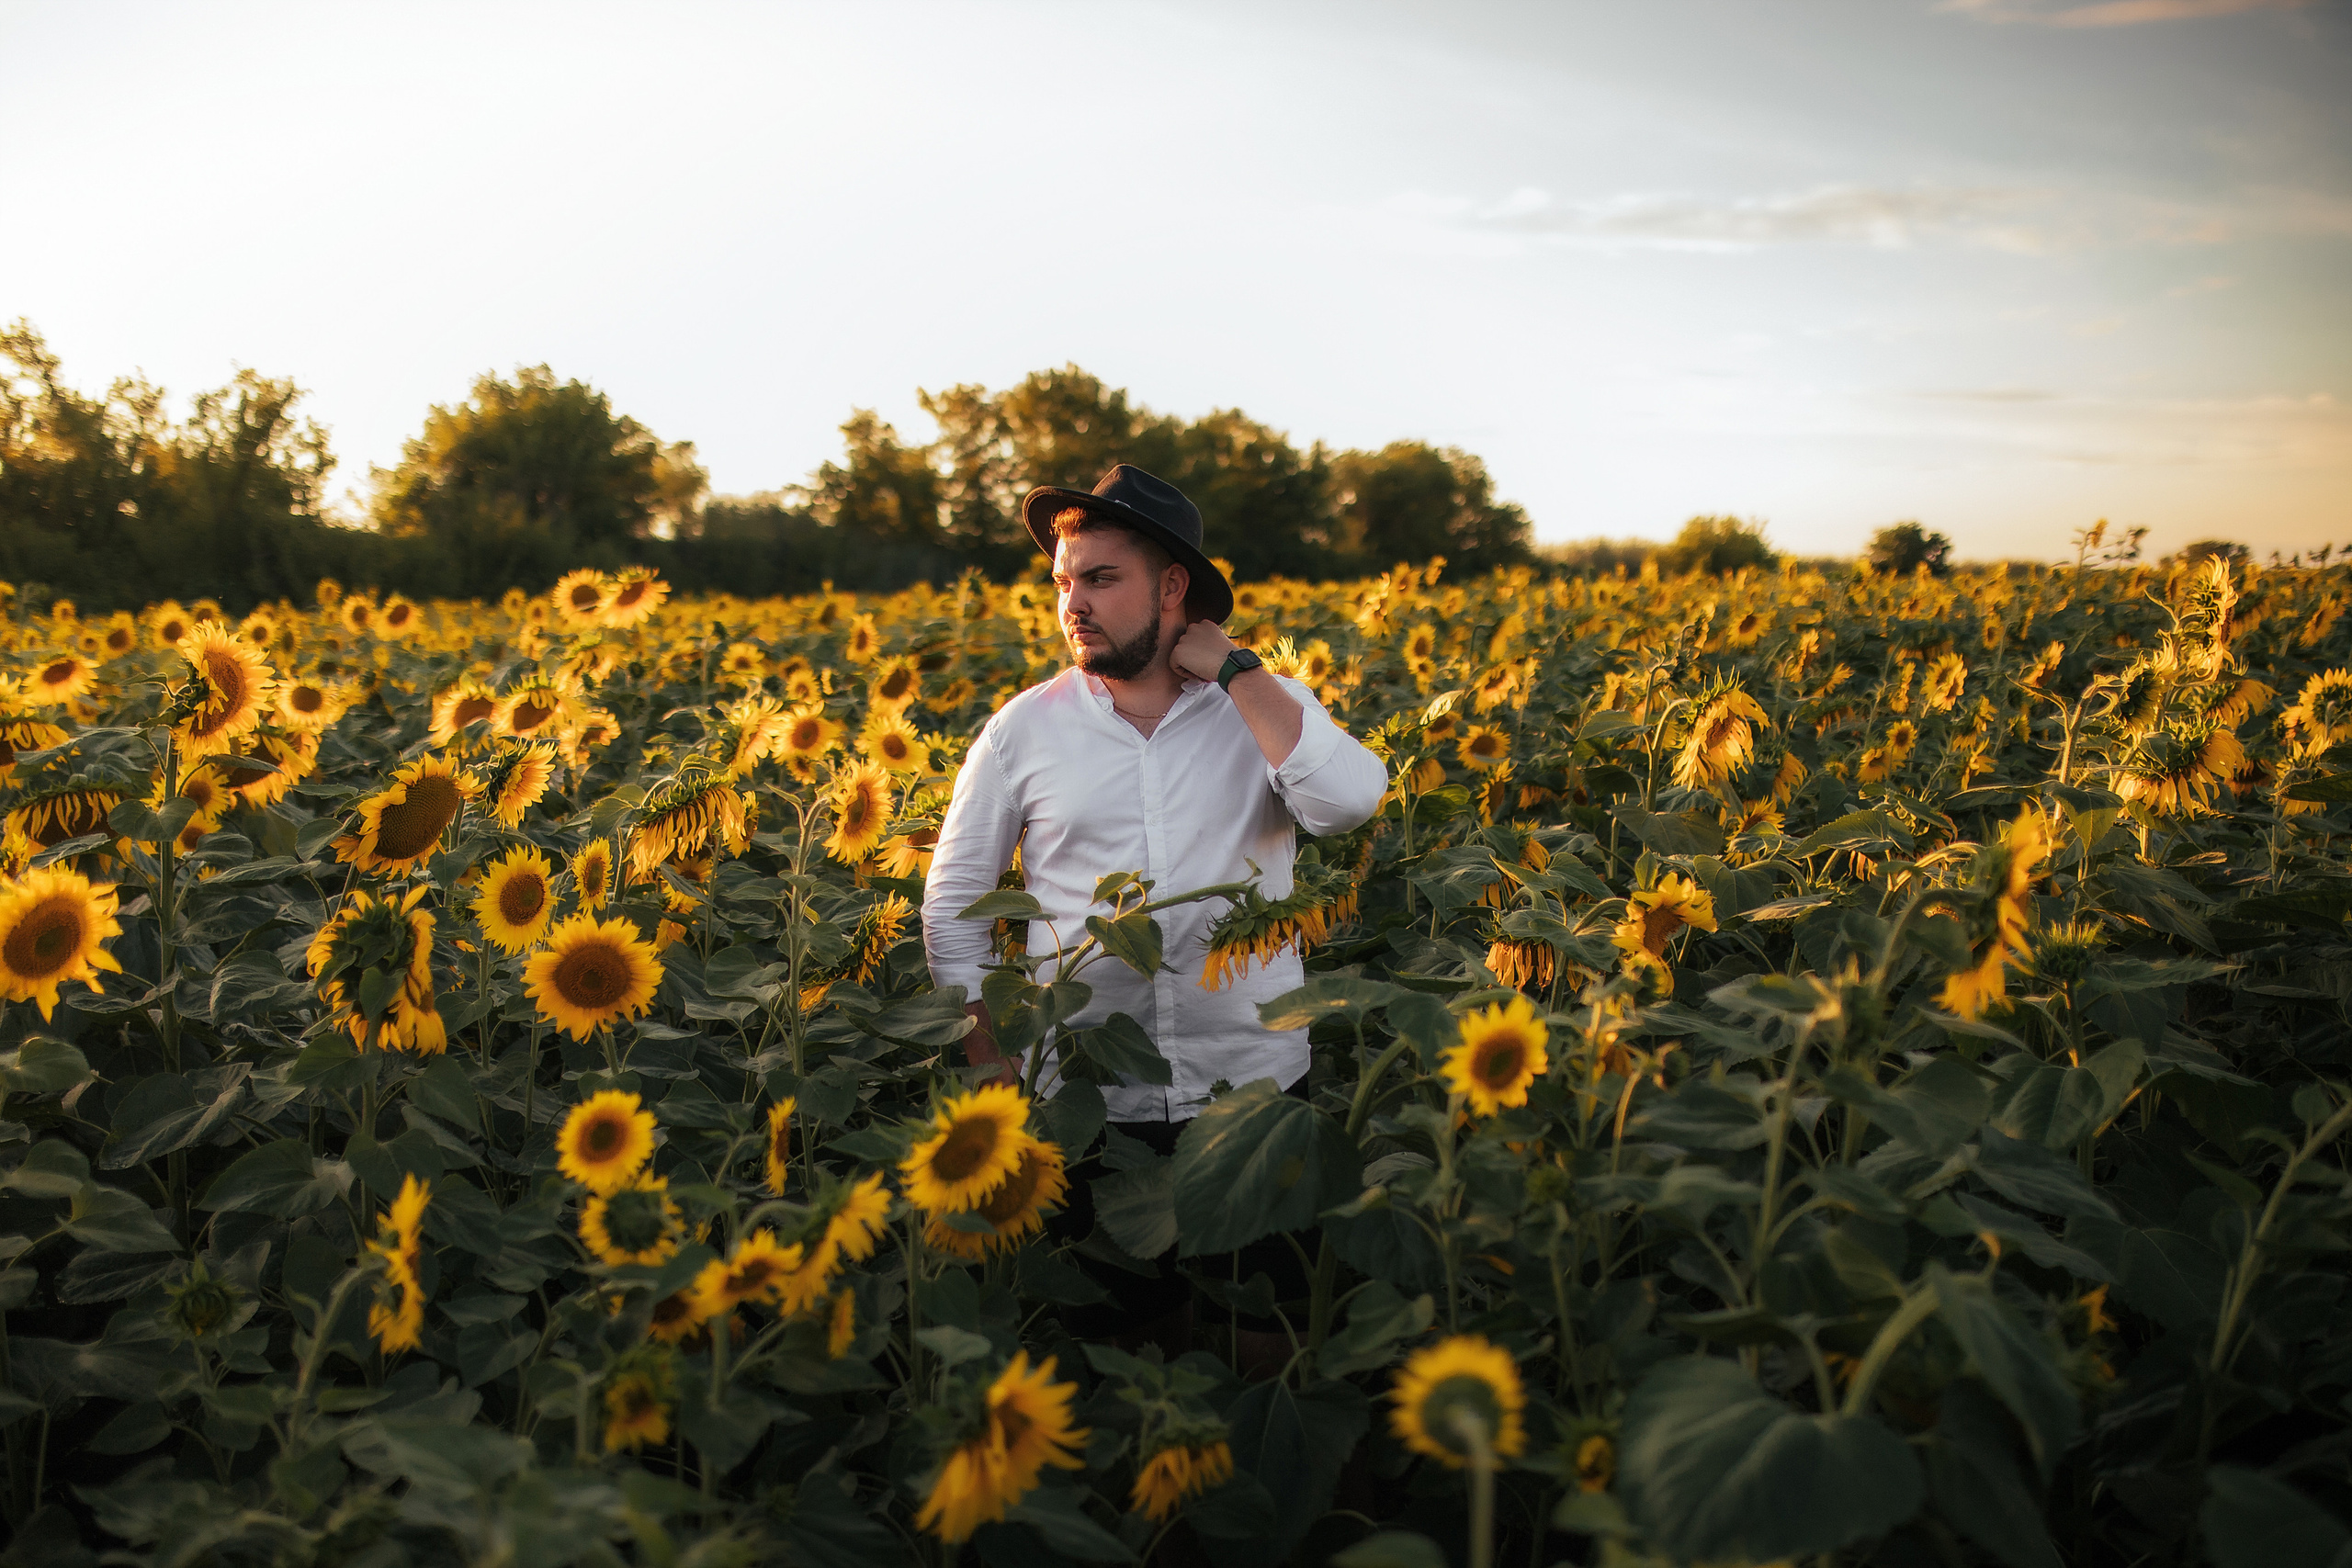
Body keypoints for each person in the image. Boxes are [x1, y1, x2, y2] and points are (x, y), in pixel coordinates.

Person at [920, 462, 1386, 1361]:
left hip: (1252, 1087)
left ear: (1173, 587)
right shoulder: (1025, 730)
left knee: (1268, 1336)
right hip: (1091, 1097)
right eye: (1063, 582)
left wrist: (1239, 671)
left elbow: (1347, 802)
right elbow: (956, 902)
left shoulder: (1257, 712)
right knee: (1124, 1344)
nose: (1072, 605)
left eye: (1100, 578)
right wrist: (989, 1059)